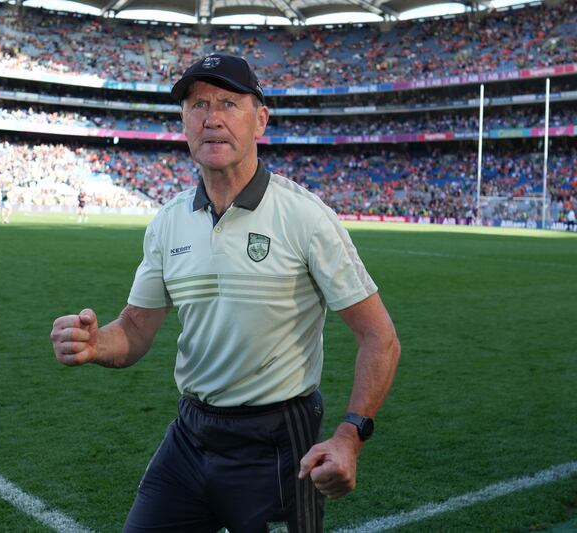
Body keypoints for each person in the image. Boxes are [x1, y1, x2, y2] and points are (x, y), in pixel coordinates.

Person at [50, 53, 401, 533]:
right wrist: (95, 345)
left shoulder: (304, 216)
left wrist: (349, 437)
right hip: (191, 438)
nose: (211, 117)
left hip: (278, 444)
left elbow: (380, 338)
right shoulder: (169, 221)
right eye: (198, 105)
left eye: (228, 103)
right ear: (183, 122)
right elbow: (134, 329)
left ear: (260, 120)